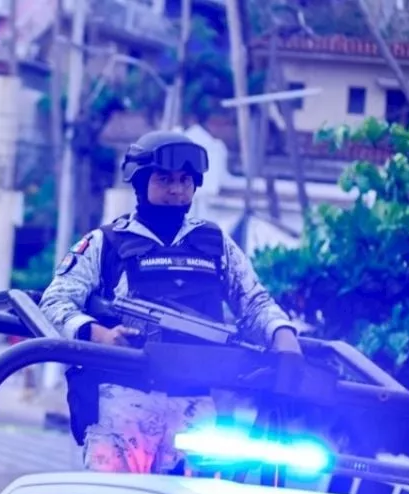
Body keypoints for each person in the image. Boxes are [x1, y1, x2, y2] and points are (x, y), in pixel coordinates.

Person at [40, 130, 301, 474]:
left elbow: (254, 302)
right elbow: (55, 301)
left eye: (184, 180)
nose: (176, 190)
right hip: (123, 402)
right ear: (141, 182)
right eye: (164, 180)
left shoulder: (215, 243)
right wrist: (101, 336)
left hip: (195, 405)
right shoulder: (107, 243)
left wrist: (284, 337)